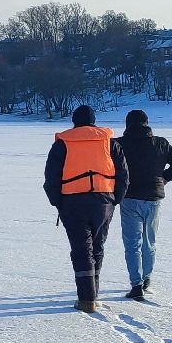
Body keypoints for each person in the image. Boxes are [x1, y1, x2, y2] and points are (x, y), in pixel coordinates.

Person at [43, 105, 128, 313]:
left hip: (72, 202)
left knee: (82, 249)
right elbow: (123, 175)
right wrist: (115, 199)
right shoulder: (110, 143)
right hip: (104, 200)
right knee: (97, 246)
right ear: (94, 121)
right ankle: (93, 295)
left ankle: (86, 298)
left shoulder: (62, 144)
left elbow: (51, 177)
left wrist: (57, 202)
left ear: (74, 121)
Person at [114, 109, 172, 301]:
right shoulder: (160, 143)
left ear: (127, 124)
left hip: (129, 197)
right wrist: (164, 178)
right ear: (147, 123)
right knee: (149, 242)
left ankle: (136, 284)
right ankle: (146, 279)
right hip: (154, 198)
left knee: (132, 243)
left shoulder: (119, 144)